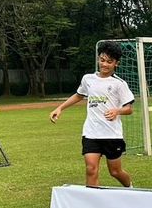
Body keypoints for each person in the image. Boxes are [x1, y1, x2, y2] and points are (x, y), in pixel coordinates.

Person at [49, 41, 135, 187]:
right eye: (102, 60)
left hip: (111, 134)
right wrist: (60, 108)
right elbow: (79, 95)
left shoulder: (119, 84)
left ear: (116, 63)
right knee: (91, 169)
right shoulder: (88, 79)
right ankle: (93, 199)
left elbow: (129, 109)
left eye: (109, 62)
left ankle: (130, 188)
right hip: (91, 133)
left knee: (115, 172)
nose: (105, 64)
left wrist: (117, 111)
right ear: (98, 59)